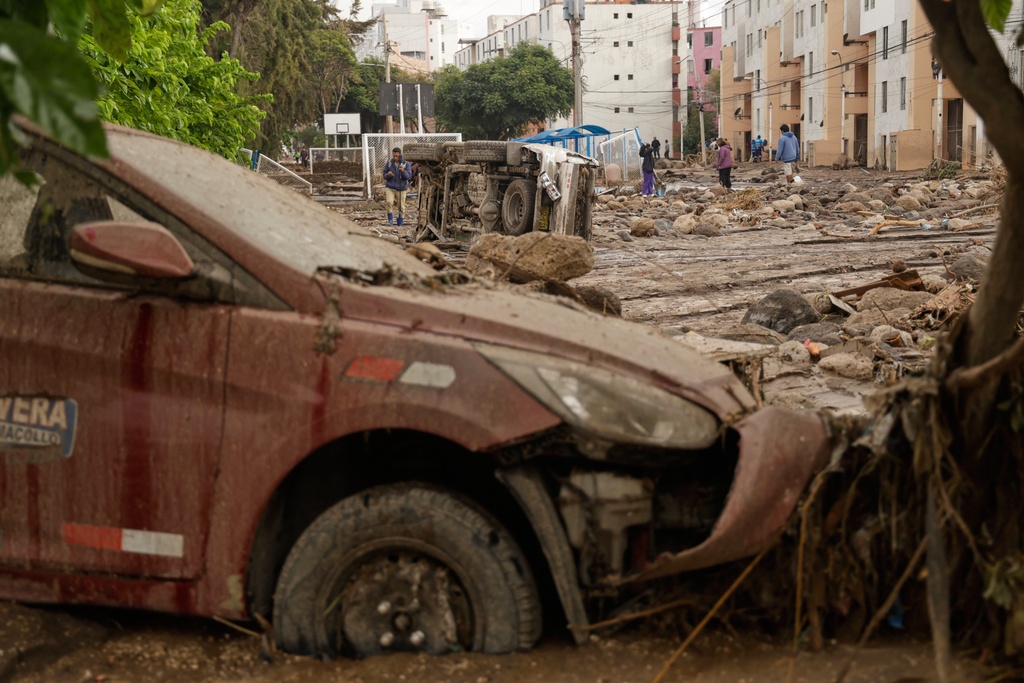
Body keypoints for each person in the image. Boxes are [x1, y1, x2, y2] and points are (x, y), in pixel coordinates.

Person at [383, 147, 414, 225]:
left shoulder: (405, 164)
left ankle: (400, 221)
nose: (395, 158)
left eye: (396, 156)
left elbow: (409, 177)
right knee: (389, 202)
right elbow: (384, 174)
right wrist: (388, 175)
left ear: (400, 155)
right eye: (394, 156)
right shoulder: (390, 163)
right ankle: (390, 220)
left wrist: (403, 171)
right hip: (391, 187)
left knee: (401, 206)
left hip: (401, 188)